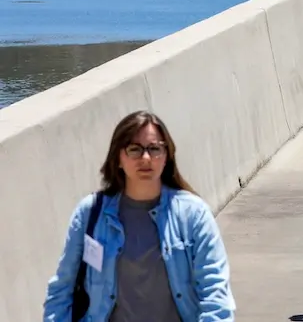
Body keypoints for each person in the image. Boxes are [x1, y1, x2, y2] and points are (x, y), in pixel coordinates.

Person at [43, 111, 236, 321]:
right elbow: (62, 289)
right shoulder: (90, 213)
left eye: (154, 149)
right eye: (134, 149)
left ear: (166, 157)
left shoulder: (193, 215)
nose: (146, 158)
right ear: (118, 158)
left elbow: (215, 294)